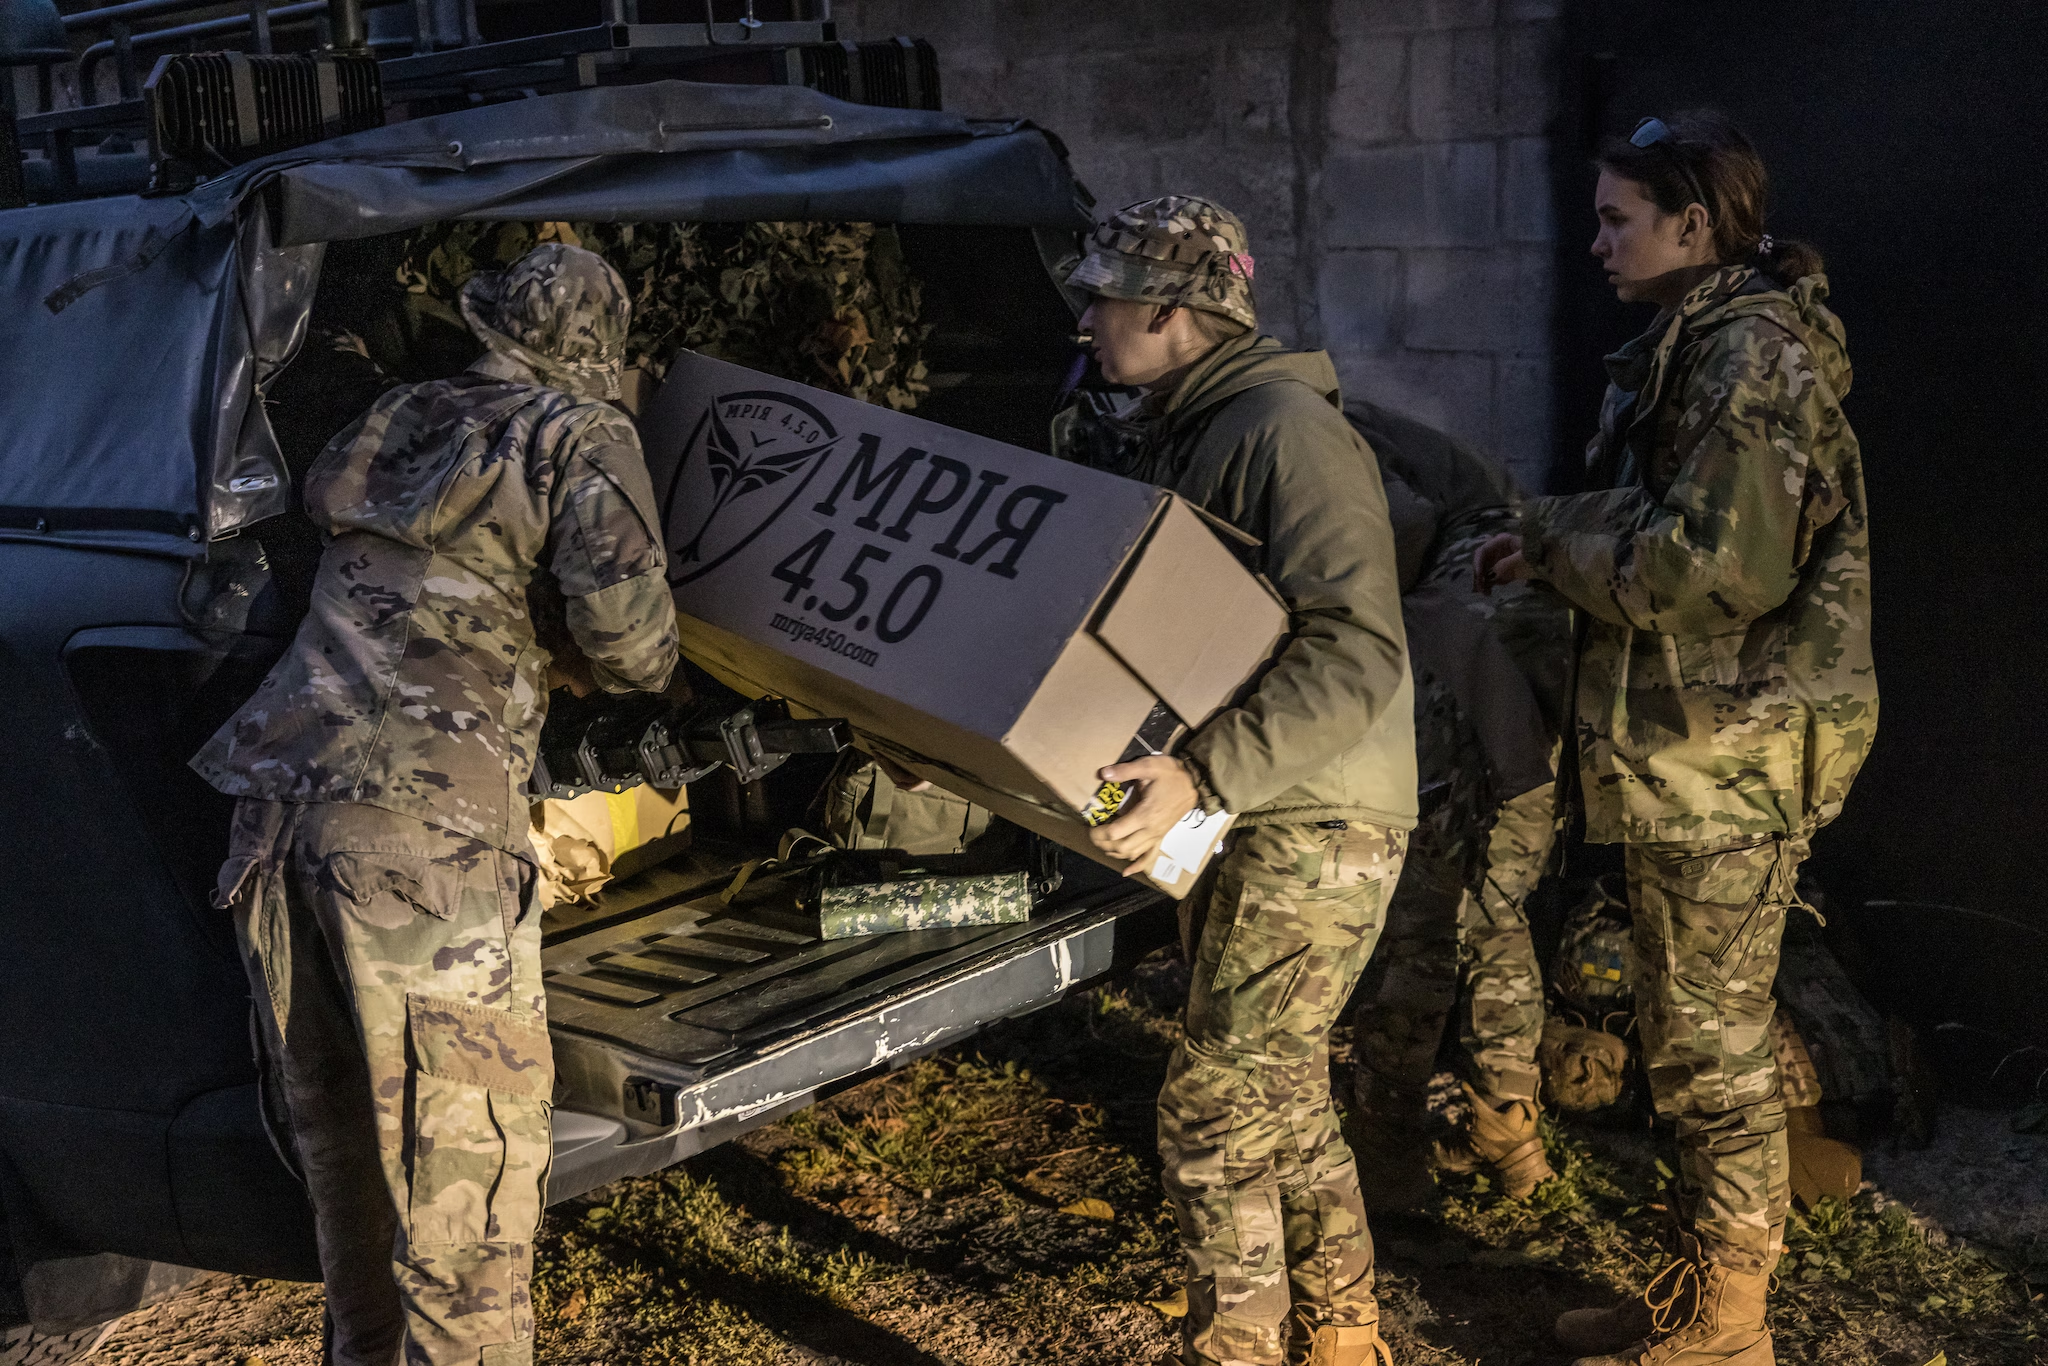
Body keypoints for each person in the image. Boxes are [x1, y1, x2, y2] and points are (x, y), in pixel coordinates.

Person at [190, 243, 681, 1366]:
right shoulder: (576, 432)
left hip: (279, 815)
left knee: (354, 1183)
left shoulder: (403, 412)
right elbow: (632, 640)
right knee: (466, 1208)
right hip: (427, 843)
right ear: (597, 356)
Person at [1475, 111, 1876, 1366]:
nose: (1595, 242)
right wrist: (1539, 523)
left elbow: (1711, 566)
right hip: (1692, 748)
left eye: (1616, 219)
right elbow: (1662, 509)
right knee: (1684, 1033)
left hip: (1731, 755)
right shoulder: (1698, 347)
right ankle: (1697, 1289)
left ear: (1693, 225)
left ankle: (1729, 1324)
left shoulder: (1748, 354)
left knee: (1710, 1047)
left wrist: (1545, 546)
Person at [1057, 196, 1417, 1366]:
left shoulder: (1281, 431)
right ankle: (1342, 1334)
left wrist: (1207, 769)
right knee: (1282, 1096)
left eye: (1103, 296)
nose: (1085, 320)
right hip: (1261, 807)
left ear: (1171, 309)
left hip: (1313, 814)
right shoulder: (1192, 426)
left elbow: (1357, 646)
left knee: (1212, 1110)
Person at [1341, 401, 1571, 1208]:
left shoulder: (1317, 427)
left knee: (1424, 924)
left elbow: (1395, 533)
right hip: (1528, 686)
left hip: (1468, 647)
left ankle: (1386, 1150)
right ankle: (1510, 1136)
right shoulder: (1388, 430)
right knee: (1498, 913)